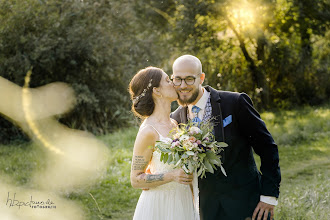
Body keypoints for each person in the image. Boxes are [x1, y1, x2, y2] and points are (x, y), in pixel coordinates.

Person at [170, 55, 281, 220]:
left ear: (201, 78)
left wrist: (268, 196)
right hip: (208, 209)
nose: (183, 85)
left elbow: (267, 147)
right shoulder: (176, 118)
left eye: (189, 79)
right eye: (177, 79)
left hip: (248, 205)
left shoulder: (234, 102)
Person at [129, 67, 198, 220]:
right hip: (160, 205)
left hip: (183, 200)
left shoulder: (175, 123)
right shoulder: (148, 131)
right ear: (157, 91)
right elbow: (135, 179)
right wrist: (172, 176)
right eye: (168, 80)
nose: (174, 83)